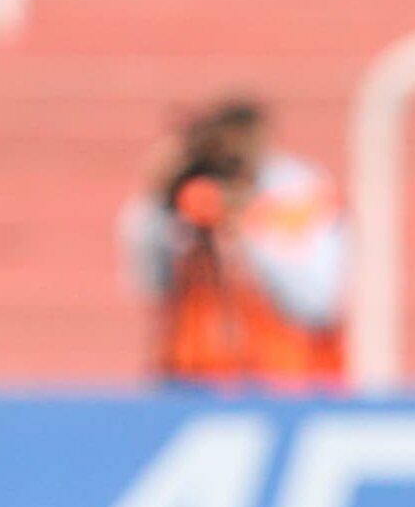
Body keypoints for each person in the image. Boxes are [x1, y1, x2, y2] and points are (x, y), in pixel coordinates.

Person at [121, 98, 347, 386]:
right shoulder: (189, 196)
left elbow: (316, 302)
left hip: (289, 384)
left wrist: (247, 227)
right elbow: (150, 282)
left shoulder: (294, 192)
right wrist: (159, 200)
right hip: (194, 380)